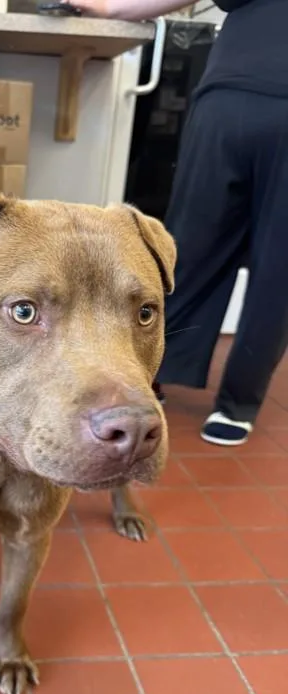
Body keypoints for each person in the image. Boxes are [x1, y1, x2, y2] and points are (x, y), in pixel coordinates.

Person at [64, 0, 288, 447]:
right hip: (232, 93)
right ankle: (231, 404)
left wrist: (111, 10)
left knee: (191, 249)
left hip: (231, 95)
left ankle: (160, 376)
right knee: (260, 266)